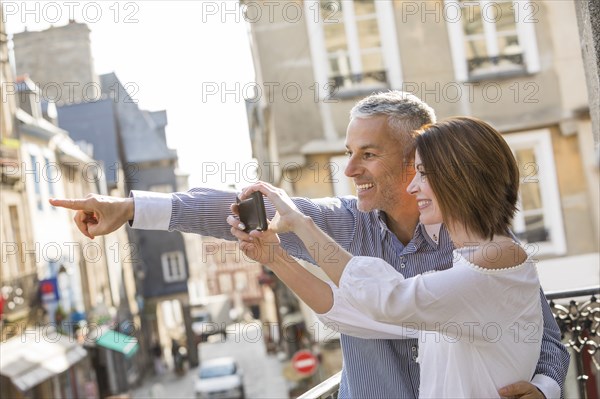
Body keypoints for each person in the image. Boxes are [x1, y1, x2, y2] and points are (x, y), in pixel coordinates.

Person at [49, 91, 568, 398]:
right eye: (348, 152)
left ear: (419, 160)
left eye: (367, 153)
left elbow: (544, 334)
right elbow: (350, 310)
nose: (349, 170)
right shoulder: (351, 224)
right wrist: (136, 208)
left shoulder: (485, 251)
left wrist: (544, 389)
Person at [230, 116, 543, 398]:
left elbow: (387, 299)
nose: (413, 186)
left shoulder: (494, 261)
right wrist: (275, 257)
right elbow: (357, 312)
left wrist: (301, 223)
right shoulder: (475, 263)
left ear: (458, 177)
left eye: (423, 174)